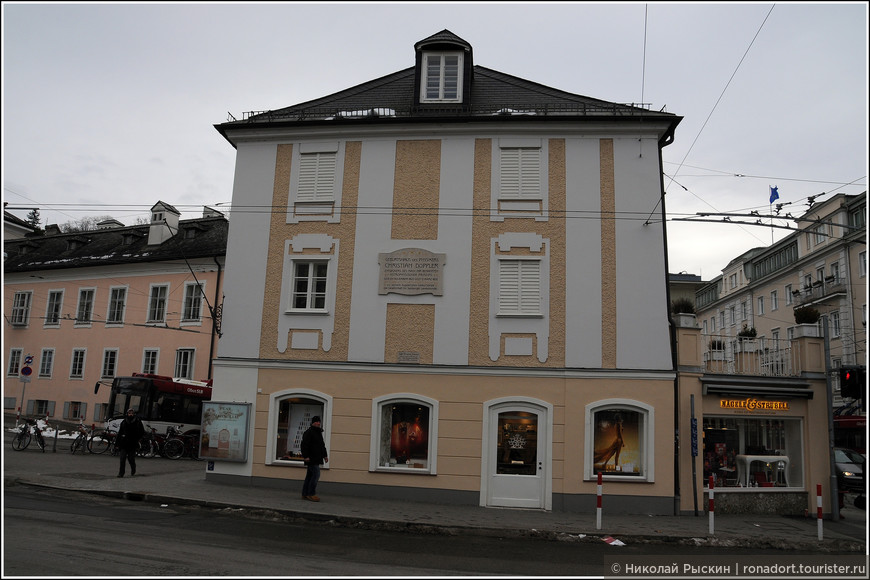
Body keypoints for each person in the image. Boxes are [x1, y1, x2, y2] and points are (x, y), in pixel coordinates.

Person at [300, 415, 328, 501]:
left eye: (319, 422)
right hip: (311, 458)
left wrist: (325, 455)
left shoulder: (318, 433)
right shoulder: (308, 432)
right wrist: (306, 456)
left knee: (309, 476)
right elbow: (304, 445)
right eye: (316, 421)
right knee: (316, 475)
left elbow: (322, 445)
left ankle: (305, 494)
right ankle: (311, 493)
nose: (318, 423)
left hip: (317, 457)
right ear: (313, 423)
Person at [117, 408, 145, 477]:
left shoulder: (138, 421)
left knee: (131, 459)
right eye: (129, 413)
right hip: (124, 443)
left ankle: (133, 468)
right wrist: (117, 444)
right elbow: (120, 433)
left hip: (132, 443)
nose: (130, 414)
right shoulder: (124, 422)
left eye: (132, 413)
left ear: (134, 414)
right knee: (122, 459)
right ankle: (121, 473)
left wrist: (138, 439)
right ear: (127, 414)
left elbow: (142, 432)